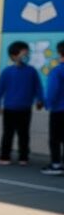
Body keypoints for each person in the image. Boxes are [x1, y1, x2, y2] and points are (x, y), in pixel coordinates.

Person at [0, 41, 45, 166]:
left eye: (27, 53)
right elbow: (0, 89)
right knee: (8, 133)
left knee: (24, 134)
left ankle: (23, 157)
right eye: (24, 53)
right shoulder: (7, 72)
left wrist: (40, 100)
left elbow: (38, 87)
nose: (26, 56)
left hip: (25, 108)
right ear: (14, 56)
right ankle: (5, 156)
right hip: (10, 108)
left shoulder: (32, 71)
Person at [42, 41, 64, 175]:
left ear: (60, 53)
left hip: (59, 110)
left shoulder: (57, 71)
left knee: (55, 139)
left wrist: (47, 104)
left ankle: (56, 165)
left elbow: (52, 91)